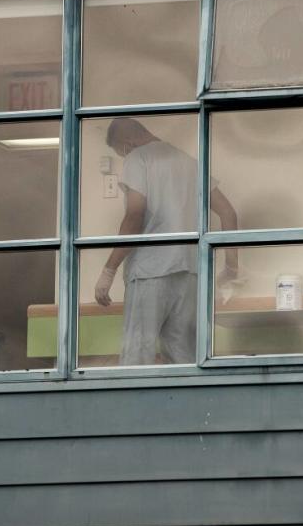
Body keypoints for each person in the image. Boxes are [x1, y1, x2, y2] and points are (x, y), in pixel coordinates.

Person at [94, 117, 238, 365]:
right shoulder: (190, 163)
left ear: (127, 143)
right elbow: (228, 213)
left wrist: (109, 269)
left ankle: (135, 405)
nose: (123, 156)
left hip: (151, 272)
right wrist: (231, 267)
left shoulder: (138, 158)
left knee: (137, 356)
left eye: (120, 152)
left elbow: (134, 217)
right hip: (190, 274)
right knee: (185, 359)